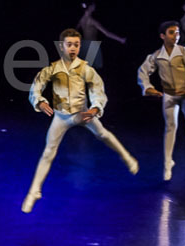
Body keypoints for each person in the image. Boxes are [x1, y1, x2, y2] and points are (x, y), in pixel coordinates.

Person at [22, 28, 138, 213]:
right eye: (69, 44)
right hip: (61, 117)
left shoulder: (85, 69)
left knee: (103, 134)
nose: (73, 48)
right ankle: (34, 192)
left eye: (76, 45)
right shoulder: (53, 69)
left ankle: (127, 157)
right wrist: (40, 101)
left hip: (83, 114)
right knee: (48, 152)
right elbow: (36, 86)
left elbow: (98, 90)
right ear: (61, 46)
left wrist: (95, 108)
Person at [137, 20, 185, 181]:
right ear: (162, 36)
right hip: (169, 95)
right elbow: (143, 70)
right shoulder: (157, 55)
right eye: (172, 32)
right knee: (170, 127)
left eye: (177, 33)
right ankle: (167, 164)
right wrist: (147, 87)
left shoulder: (184, 52)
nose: (176, 36)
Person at [76, 2, 126, 69]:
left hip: (85, 45)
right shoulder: (92, 21)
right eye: (93, 5)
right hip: (92, 46)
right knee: (92, 68)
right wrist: (120, 39)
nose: (94, 6)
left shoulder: (82, 19)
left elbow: (76, 30)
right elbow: (106, 33)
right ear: (90, 7)